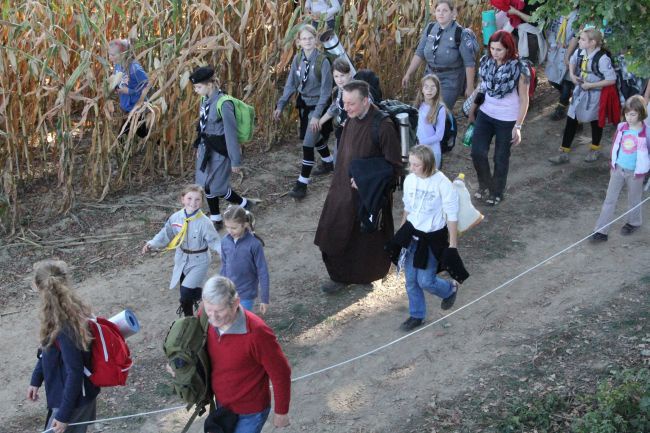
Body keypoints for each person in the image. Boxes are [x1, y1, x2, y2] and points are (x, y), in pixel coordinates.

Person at [314, 80, 402, 293]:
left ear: (365, 101)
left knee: (365, 240)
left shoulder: (383, 126)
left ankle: (366, 276)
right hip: (342, 189)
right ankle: (339, 276)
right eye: (344, 102)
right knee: (333, 230)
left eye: (351, 103)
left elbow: (394, 167)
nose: (346, 108)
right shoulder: (351, 118)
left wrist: (366, 181)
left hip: (368, 196)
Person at [202, 276, 291, 433]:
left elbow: (281, 372)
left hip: (250, 411)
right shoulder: (205, 317)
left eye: (219, 310)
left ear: (235, 303)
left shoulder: (258, 333)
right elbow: (190, 344)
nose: (213, 317)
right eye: (209, 310)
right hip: (222, 404)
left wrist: (281, 411)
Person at [27, 260, 100, 433]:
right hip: (73, 397)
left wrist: (63, 415)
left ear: (39, 288)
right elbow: (47, 352)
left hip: (73, 402)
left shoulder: (66, 326)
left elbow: (74, 371)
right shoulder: (59, 314)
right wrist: (36, 380)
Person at [398, 145, 459, 331]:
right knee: (410, 280)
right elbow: (407, 208)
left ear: (428, 164)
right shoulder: (409, 180)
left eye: (416, 165)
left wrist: (453, 245)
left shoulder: (442, 183)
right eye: (411, 164)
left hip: (432, 238)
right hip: (412, 235)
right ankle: (417, 315)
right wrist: (401, 234)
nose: (412, 168)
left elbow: (452, 214)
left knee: (425, 281)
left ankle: (449, 290)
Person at [468, 30, 530, 205]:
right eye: (492, 48)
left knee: (500, 157)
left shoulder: (520, 69)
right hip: (486, 114)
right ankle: (485, 184)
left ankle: (497, 192)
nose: (495, 53)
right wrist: (473, 109)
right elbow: (482, 88)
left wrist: (518, 126)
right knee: (477, 152)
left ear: (509, 49)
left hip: (507, 119)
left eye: (499, 50)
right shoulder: (486, 62)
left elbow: (524, 100)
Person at [274, 24, 335, 199]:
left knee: (308, 143)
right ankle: (329, 162)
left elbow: (326, 92)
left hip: (319, 107)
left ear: (316, 40)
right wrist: (281, 105)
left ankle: (302, 184)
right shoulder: (298, 58)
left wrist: (317, 117)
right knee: (316, 138)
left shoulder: (322, 61)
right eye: (304, 38)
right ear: (299, 41)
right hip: (304, 104)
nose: (307, 41)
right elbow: (291, 84)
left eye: (310, 38)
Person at [142, 184, 221, 317]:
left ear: (202, 202)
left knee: (185, 292)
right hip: (182, 258)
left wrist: (225, 252)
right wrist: (152, 243)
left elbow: (214, 240)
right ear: (182, 199)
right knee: (187, 291)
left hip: (199, 260)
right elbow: (166, 233)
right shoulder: (176, 217)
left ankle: (199, 309)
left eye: (197, 199)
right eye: (189, 198)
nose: (193, 203)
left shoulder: (204, 222)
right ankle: (192, 314)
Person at [190, 66, 253, 229]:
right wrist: (198, 146)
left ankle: (243, 203)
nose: (196, 91)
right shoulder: (205, 100)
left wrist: (235, 161)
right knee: (205, 184)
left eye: (198, 87)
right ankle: (216, 218)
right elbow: (202, 126)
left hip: (220, 150)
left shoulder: (224, 104)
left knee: (217, 186)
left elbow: (231, 134)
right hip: (206, 148)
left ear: (209, 84)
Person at [548, 28, 617, 165]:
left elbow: (611, 79)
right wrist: (573, 75)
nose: (579, 41)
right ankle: (564, 152)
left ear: (593, 42)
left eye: (583, 39)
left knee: (595, 121)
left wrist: (591, 85)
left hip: (595, 95)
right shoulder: (580, 52)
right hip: (580, 92)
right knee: (571, 119)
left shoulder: (602, 58)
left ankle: (594, 149)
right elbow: (572, 61)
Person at [591, 95, 649, 242]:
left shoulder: (646, 132)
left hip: (635, 173)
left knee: (634, 199)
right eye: (626, 114)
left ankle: (634, 222)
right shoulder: (621, 127)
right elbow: (616, 145)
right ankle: (601, 231)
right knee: (609, 199)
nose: (628, 118)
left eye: (633, 114)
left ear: (641, 113)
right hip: (618, 169)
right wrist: (613, 163)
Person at [402, 0, 477, 111]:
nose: (441, 13)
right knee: (420, 111)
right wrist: (408, 74)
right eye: (438, 10)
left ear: (453, 13)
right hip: (430, 77)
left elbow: (469, 63)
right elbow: (419, 53)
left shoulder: (460, 33)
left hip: (450, 80)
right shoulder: (430, 28)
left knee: (439, 112)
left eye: (445, 10)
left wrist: (470, 87)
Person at [220, 205, 270, 314]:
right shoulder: (224, 241)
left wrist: (264, 299)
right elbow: (224, 265)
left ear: (245, 225)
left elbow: (263, 272)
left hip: (246, 294)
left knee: (241, 321)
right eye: (227, 227)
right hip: (229, 292)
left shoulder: (254, 244)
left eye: (234, 228)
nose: (230, 231)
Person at [108, 39, 149, 138]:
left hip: (137, 107)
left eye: (113, 55)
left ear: (123, 54)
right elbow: (120, 80)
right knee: (141, 133)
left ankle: (161, 142)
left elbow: (147, 84)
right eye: (109, 54)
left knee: (124, 134)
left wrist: (130, 91)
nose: (110, 57)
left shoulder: (134, 68)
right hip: (126, 105)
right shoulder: (118, 65)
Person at [545, 10, 579, 120]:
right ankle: (567, 95)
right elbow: (551, 28)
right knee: (552, 79)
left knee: (566, 80)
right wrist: (553, 42)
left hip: (572, 50)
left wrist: (568, 53)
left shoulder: (579, 14)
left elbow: (577, 34)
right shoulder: (558, 11)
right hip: (557, 48)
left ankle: (561, 108)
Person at [318, 57, 354, 146]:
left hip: (356, 134)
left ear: (349, 74)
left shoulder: (357, 90)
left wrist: (352, 122)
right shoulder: (338, 90)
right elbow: (334, 108)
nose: (339, 80)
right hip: (343, 132)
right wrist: (320, 122)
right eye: (336, 76)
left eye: (342, 75)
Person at [415, 74, 448, 169]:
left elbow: (439, 136)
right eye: (426, 87)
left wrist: (420, 142)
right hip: (419, 150)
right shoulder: (418, 106)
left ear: (437, 90)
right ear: (422, 89)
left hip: (432, 152)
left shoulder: (440, 109)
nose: (429, 90)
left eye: (433, 87)